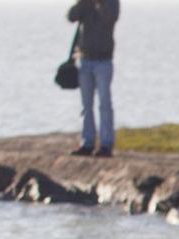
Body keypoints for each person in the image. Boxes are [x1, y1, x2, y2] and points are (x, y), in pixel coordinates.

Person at [67, 0, 120, 157]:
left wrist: (99, 3)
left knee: (104, 103)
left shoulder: (111, 2)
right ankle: (87, 142)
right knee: (86, 105)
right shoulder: (86, 3)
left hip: (103, 60)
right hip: (85, 59)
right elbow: (71, 16)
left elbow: (109, 19)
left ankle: (106, 144)